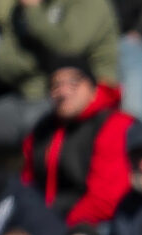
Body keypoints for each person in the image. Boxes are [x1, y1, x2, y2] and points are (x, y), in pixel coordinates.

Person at [23, 56, 133, 226]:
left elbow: (105, 200)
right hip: (46, 222)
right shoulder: (43, 129)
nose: (63, 92)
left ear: (93, 88)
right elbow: (27, 184)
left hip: (94, 225)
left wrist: (59, 229)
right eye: (55, 85)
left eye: (73, 83)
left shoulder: (113, 124)